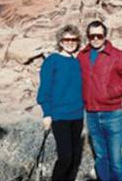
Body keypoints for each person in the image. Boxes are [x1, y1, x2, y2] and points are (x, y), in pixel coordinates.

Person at [78, 21, 122, 181]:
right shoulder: (82, 56)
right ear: (88, 37)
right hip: (91, 113)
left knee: (116, 159)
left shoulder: (118, 55)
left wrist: (112, 92)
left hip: (112, 113)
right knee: (100, 157)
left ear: (105, 36)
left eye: (99, 35)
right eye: (92, 36)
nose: (96, 39)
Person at [37, 25, 84, 181]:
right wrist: (47, 113)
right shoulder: (52, 61)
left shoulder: (78, 62)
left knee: (75, 157)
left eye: (74, 39)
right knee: (66, 157)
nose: (70, 42)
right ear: (60, 41)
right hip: (59, 116)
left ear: (78, 41)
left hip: (77, 115)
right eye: (66, 39)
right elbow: (45, 90)